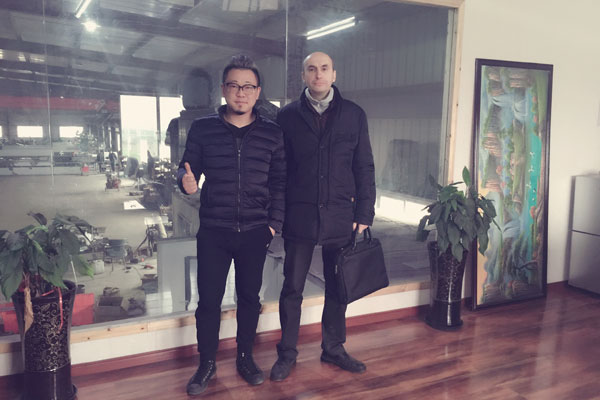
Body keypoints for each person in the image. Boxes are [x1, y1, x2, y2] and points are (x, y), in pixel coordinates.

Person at [177, 55, 286, 396]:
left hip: (255, 231)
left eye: (248, 86)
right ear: (224, 90)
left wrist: (273, 226)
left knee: (250, 298)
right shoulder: (203, 129)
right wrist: (186, 182)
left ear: (258, 92)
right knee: (208, 301)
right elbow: (185, 168)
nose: (241, 92)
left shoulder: (272, 133)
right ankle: (206, 363)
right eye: (235, 86)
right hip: (214, 230)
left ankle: (245, 358)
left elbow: (280, 183)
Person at [270, 51, 376, 381]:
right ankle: (287, 353)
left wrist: (365, 211)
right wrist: (277, 215)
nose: (318, 74)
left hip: (341, 215)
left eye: (324, 68)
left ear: (334, 74)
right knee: (292, 288)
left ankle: (333, 348)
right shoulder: (287, 116)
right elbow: (279, 170)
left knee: (338, 286)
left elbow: (364, 166)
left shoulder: (354, 115)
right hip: (299, 215)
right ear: (303, 76)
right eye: (311, 69)